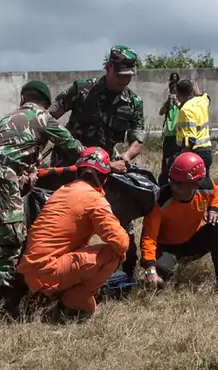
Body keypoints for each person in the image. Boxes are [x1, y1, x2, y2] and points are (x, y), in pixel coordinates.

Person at [0, 79, 83, 312]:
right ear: (45, 103)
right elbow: (72, 145)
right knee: (13, 240)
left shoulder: (8, 118)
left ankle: (8, 287)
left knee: (3, 233)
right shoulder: (43, 117)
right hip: (1, 176)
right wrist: (96, 158)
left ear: (23, 98)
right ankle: (0, 303)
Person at [48, 45, 146, 276]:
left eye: (128, 76)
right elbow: (48, 117)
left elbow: (138, 137)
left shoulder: (133, 102)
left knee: (121, 218)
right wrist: (68, 143)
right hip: (69, 165)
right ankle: (56, 270)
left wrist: (126, 156)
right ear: (109, 67)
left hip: (105, 170)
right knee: (62, 220)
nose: (124, 81)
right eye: (120, 75)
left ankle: (126, 271)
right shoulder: (82, 89)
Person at [16, 146, 129, 321]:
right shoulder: (94, 200)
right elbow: (121, 244)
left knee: (82, 248)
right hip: (47, 271)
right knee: (114, 255)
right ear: (104, 177)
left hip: (29, 268)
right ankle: (70, 304)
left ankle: (48, 294)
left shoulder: (63, 190)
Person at [140, 152, 218, 288]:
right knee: (159, 274)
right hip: (167, 248)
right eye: (172, 180)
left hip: (192, 242)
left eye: (179, 183)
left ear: (196, 183)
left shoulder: (206, 188)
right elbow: (149, 237)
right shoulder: (159, 202)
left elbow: (216, 193)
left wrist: (213, 210)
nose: (174, 186)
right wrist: (150, 269)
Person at [173, 79, 212, 181]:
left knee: (193, 185)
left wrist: (183, 160)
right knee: (205, 183)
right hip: (206, 151)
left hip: (194, 153)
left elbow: (189, 139)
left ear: (178, 94)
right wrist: (198, 93)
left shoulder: (186, 110)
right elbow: (207, 98)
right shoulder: (202, 101)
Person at [159, 73, 182, 180]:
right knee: (166, 162)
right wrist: (167, 103)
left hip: (178, 136)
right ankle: (165, 180)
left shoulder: (183, 103)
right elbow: (161, 112)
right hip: (169, 136)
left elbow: (185, 111)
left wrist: (177, 102)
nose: (174, 93)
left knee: (177, 161)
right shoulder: (169, 103)